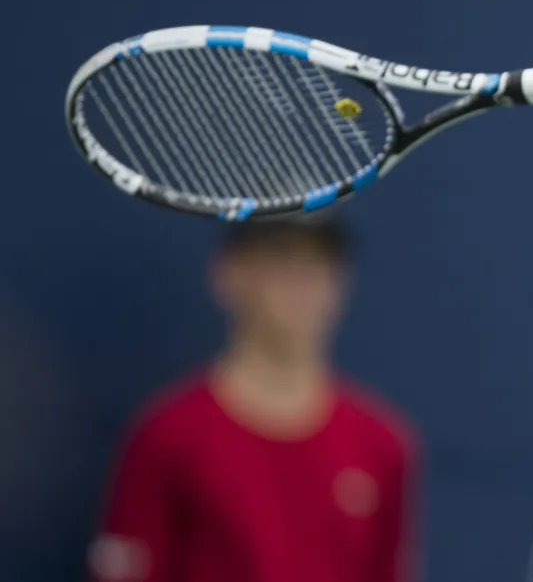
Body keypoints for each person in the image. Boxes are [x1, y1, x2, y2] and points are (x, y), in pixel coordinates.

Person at [88, 215, 418, 582]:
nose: (304, 281)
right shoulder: (167, 436)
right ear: (229, 274)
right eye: (282, 258)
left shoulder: (382, 445)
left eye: (322, 261)